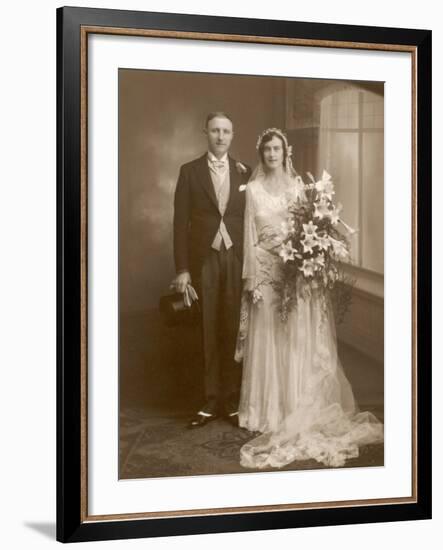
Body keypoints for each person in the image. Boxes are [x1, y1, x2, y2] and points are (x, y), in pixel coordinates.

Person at [237, 128, 384, 468]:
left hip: (294, 276)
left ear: (286, 152)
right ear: (261, 154)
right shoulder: (254, 190)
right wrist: (252, 280)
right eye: (267, 149)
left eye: (277, 149)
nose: (272, 154)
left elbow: (309, 231)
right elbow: (248, 235)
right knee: (268, 340)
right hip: (265, 273)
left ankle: (294, 408)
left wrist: (310, 263)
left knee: (293, 340)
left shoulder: (298, 187)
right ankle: (267, 412)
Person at [171, 112, 251, 429]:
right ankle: (209, 401)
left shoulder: (245, 172)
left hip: (236, 257)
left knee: (233, 327)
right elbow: (180, 224)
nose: (220, 136)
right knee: (206, 329)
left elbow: (251, 218)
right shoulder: (189, 172)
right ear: (205, 132)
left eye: (226, 131)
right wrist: (183, 269)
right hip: (204, 258)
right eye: (215, 130)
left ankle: (231, 401)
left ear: (232, 135)